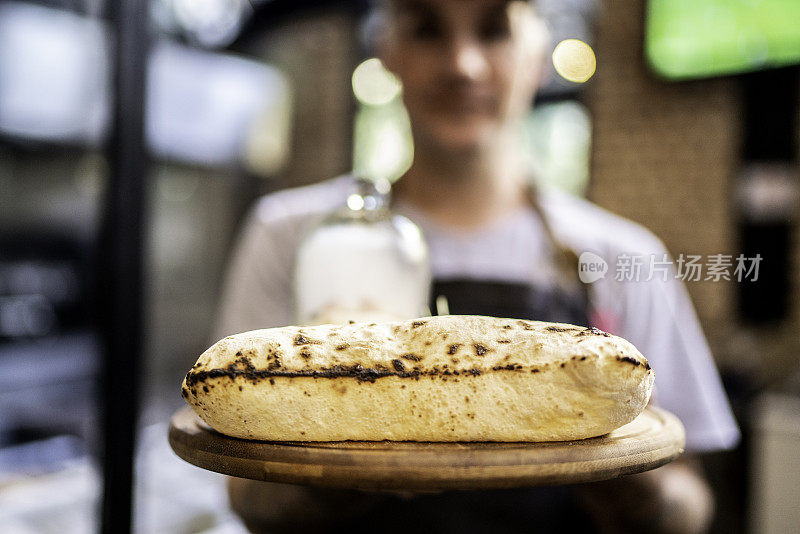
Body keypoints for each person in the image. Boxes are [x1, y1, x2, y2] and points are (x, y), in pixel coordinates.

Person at [215, 1, 740, 532]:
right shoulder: (294, 235)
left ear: (539, 55)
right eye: (426, 29)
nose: (462, 64)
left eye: (494, 31)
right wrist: (343, 468)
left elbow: (689, 505)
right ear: (386, 52)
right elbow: (243, 491)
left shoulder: (627, 256)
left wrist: (619, 469)